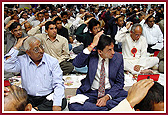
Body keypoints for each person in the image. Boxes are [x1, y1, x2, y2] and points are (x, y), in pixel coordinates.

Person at [68, 31, 127, 111]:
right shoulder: (92, 55)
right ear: (100, 51)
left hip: (110, 91)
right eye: (109, 50)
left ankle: (102, 107)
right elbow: (76, 63)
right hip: (92, 92)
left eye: (113, 49)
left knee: (131, 96)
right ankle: (107, 108)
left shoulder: (118, 58)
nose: (113, 52)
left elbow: (119, 83)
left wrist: (107, 98)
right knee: (73, 104)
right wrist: (92, 45)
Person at [4, 36, 66, 111]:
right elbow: (6, 66)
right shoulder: (22, 60)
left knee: (61, 101)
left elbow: (58, 83)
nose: (41, 51)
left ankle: (34, 109)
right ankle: (38, 109)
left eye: (41, 46)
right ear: (28, 52)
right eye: (36, 49)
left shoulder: (52, 61)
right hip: (29, 97)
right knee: (15, 102)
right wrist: (16, 47)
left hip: (47, 97)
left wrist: (56, 104)